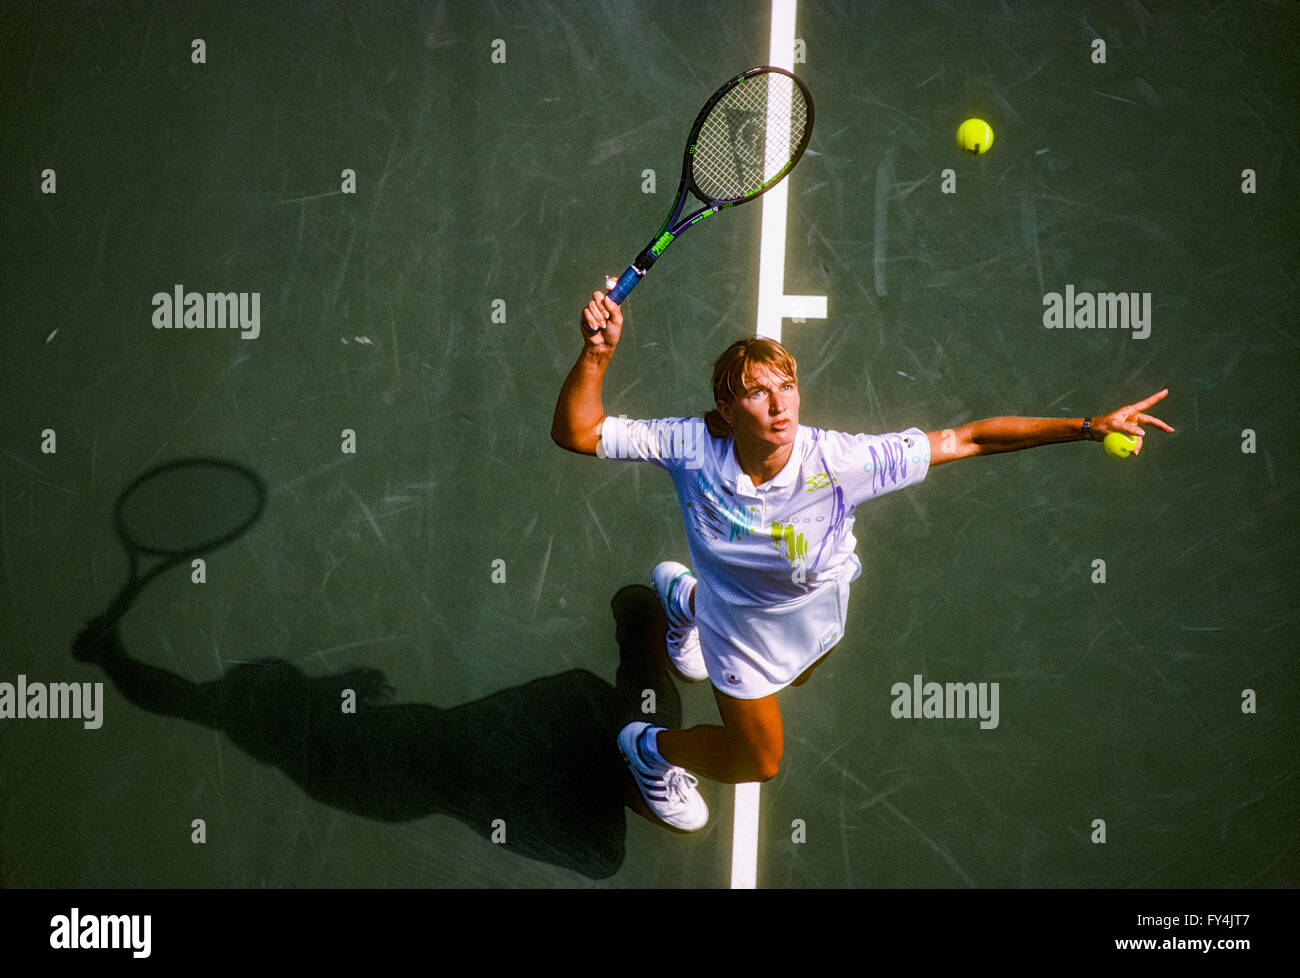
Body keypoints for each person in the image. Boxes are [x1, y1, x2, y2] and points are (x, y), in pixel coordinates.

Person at [552, 290, 1173, 831]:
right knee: (758, 761)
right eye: (758, 393)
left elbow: (969, 438)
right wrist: (599, 354)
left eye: (787, 386)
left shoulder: (842, 464)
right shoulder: (690, 447)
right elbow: (577, 432)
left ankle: (683, 602)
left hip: (811, 607)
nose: (780, 405)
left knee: (798, 675)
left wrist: (1090, 425)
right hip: (738, 634)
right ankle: (650, 750)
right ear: (725, 413)